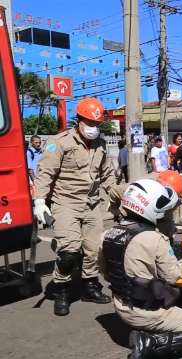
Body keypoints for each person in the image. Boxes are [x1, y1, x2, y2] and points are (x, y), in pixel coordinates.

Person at [100, 179, 182, 359]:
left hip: (120, 304)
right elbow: (174, 276)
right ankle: (150, 344)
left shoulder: (107, 235)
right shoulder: (154, 239)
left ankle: (150, 334)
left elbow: (106, 273)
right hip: (145, 312)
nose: (165, 214)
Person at [33, 97, 115, 316]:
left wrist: (120, 197)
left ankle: (90, 286)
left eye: (97, 124)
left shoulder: (101, 144)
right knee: (69, 250)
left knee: (93, 249)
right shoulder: (59, 142)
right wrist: (39, 201)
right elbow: (45, 173)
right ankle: (62, 290)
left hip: (91, 204)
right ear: (78, 120)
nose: (93, 128)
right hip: (65, 203)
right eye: (89, 122)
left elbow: (107, 175)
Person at [109, 170, 182, 242]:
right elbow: (115, 191)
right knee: (140, 243)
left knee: (166, 238)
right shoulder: (142, 187)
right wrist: (115, 210)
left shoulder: (180, 192)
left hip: (163, 217)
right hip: (139, 215)